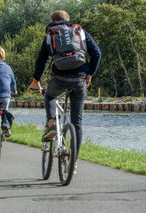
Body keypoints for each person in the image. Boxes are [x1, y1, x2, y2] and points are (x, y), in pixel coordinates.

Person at [27, 10, 101, 174]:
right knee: (77, 122)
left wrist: (35, 81)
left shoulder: (50, 35)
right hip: (80, 80)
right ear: (68, 20)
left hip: (59, 78)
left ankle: (52, 123)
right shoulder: (79, 31)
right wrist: (89, 75)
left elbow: (42, 60)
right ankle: (73, 161)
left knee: (50, 95)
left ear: (53, 20)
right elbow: (97, 53)